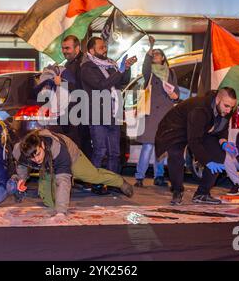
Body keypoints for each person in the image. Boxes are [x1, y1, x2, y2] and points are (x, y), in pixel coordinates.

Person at [9, 129, 134, 220]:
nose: (36, 160)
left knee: (93, 176)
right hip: (47, 167)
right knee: (50, 202)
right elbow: (22, 164)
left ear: (42, 145)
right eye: (32, 158)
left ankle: (120, 182)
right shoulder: (20, 151)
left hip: (72, 157)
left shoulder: (58, 149)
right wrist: (22, 179)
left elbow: (63, 180)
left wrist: (61, 213)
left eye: (38, 154)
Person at [155, 87, 238, 205]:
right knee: (176, 156)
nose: (229, 110)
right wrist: (207, 161)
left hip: (201, 128)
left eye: (232, 107)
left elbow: (222, 128)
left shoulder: (226, 109)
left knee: (219, 154)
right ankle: (177, 190)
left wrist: (223, 142)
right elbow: (194, 141)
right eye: (226, 106)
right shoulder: (200, 109)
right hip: (176, 128)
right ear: (218, 99)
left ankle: (202, 194)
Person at [81, 36, 137, 175]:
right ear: (92, 51)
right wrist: (119, 71)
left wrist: (126, 69)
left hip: (114, 113)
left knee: (115, 152)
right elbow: (101, 85)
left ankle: (113, 182)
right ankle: (95, 182)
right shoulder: (87, 67)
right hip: (98, 115)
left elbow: (122, 81)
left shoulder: (110, 64)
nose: (105, 50)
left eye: (105, 47)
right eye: (101, 47)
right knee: (100, 151)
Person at [134, 35, 180, 188]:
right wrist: (150, 47)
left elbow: (176, 94)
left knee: (161, 146)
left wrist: (173, 94)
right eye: (154, 54)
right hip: (151, 113)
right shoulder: (150, 72)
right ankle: (139, 176)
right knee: (147, 145)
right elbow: (145, 66)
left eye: (158, 54)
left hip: (165, 113)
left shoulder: (170, 73)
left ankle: (158, 176)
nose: (155, 56)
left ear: (163, 58)